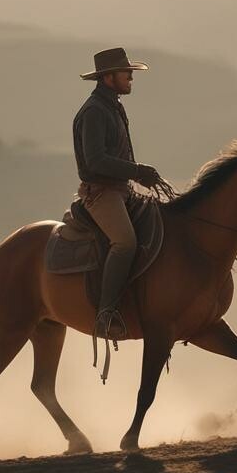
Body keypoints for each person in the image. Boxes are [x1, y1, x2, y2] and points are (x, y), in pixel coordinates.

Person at [72, 47, 163, 339]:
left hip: (120, 190)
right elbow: (96, 160)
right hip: (101, 194)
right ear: (109, 77)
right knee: (125, 243)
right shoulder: (94, 112)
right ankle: (106, 313)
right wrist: (137, 171)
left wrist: (138, 176)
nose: (131, 78)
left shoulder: (113, 106)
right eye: (127, 73)